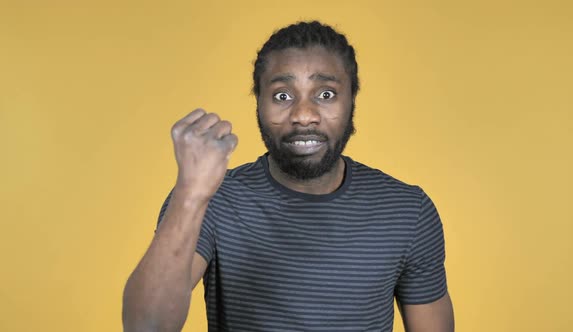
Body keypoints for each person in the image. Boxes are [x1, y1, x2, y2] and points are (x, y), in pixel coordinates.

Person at [123, 21, 454, 332]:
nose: (303, 115)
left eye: (325, 94)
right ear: (259, 103)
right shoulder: (211, 200)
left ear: (352, 98)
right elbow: (146, 326)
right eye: (282, 95)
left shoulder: (408, 211)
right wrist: (191, 194)